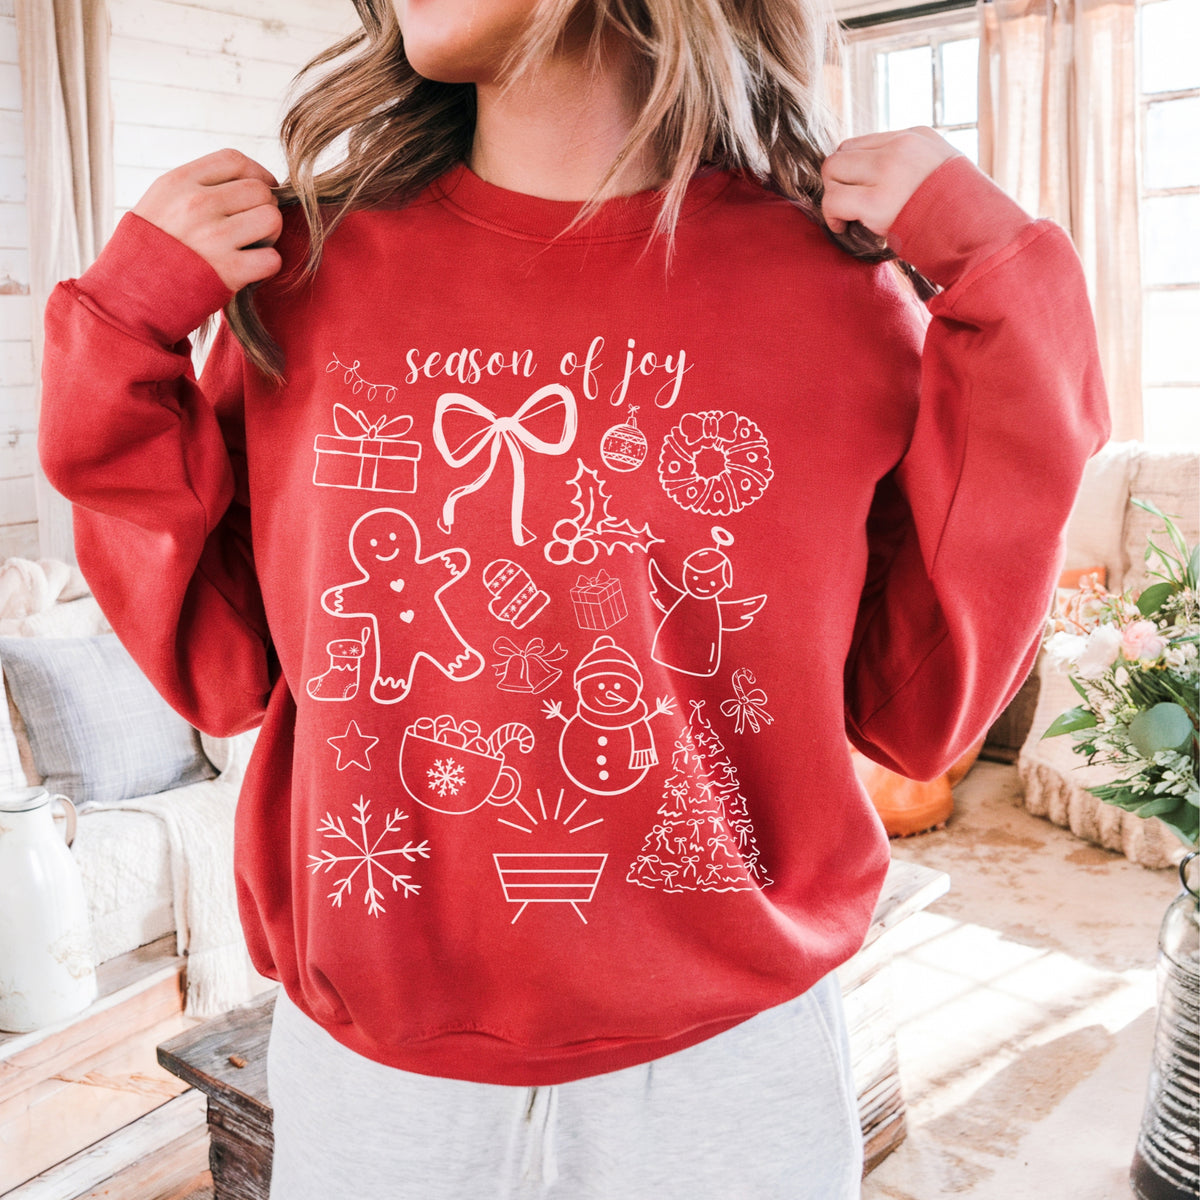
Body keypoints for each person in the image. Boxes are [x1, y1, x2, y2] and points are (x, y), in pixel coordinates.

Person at [37, 0, 1110, 1195]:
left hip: (725, 1082)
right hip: (379, 1088)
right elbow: (224, 670)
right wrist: (118, 335)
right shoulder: (306, 280)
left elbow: (919, 713)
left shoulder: (833, 290)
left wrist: (1011, 289)